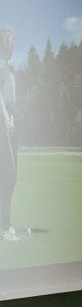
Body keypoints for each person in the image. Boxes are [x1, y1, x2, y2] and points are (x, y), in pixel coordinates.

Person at [0, 26, 19, 243]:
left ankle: (5, 223)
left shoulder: (12, 66)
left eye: (12, 39)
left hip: (12, 125)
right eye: (7, 39)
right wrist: (5, 119)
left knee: (11, 177)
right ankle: (6, 227)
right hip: (3, 125)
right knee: (7, 176)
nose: (11, 42)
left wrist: (12, 120)